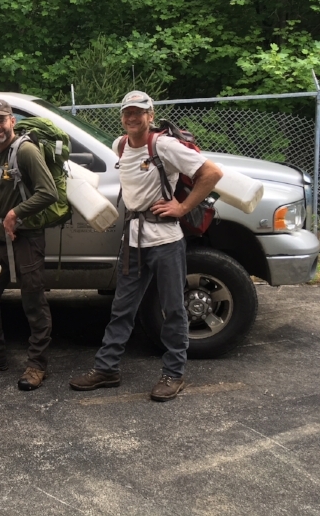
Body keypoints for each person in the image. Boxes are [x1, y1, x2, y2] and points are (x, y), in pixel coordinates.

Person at [69, 90, 223, 401]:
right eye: (127, 111)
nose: (132, 117)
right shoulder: (121, 144)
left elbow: (212, 173)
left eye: (139, 112)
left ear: (150, 116)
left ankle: (174, 374)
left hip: (166, 241)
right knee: (122, 307)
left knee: (173, 310)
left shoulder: (163, 145)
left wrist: (181, 208)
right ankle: (107, 368)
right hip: (134, 240)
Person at [0, 99, 58, 391]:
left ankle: (37, 365)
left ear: (12, 122)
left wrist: (15, 212)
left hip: (28, 237)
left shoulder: (27, 151)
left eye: (0, 120)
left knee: (33, 301)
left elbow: (49, 192)